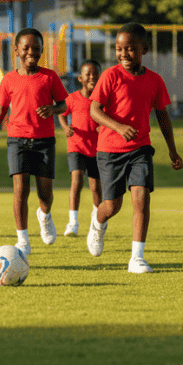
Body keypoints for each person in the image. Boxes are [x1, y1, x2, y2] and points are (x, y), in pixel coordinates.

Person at [88, 23, 183, 273]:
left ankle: (137, 258)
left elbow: (163, 116)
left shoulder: (154, 80)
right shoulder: (110, 76)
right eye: (119, 49)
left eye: (130, 49)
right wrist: (119, 128)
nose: (124, 54)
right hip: (109, 150)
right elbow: (94, 110)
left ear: (144, 50)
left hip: (140, 148)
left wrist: (172, 150)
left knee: (141, 197)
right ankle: (97, 222)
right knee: (112, 206)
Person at [0, 28, 68, 255]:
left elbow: (65, 105)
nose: (31, 53)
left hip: (44, 142)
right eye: (26, 48)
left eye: (36, 48)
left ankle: (44, 215)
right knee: (20, 190)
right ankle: (23, 240)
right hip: (17, 141)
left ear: (42, 50)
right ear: (16, 51)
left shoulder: (50, 77)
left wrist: (53, 109)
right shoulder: (9, 79)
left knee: (45, 194)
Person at [58, 59, 102, 237]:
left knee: (95, 187)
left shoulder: (102, 100)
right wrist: (66, 127)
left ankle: (95, 221)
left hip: (97, 149)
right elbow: (62, 113)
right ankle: (73, 223)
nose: (92, 77)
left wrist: (103, 127)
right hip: (76, 146)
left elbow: (109, 117)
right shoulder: (72, 98)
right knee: (77, 180)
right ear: (80, 78)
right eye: (88, 74)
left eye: (95, 74)